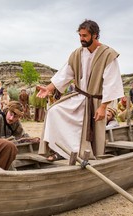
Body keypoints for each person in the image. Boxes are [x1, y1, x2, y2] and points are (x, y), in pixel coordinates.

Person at [37, 20, 124, 161]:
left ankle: (83, 154)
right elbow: (65, 74)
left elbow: (111, 83)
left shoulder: (108, 55)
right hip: (79, 97)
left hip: (95, 102)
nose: (81, 39)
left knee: (86, 131)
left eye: (85, 36)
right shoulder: (77, 53)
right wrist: (49, 88)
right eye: (80, 35)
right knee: (54, 112)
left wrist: (103, 107)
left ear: (95, 35)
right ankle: (59, 150)